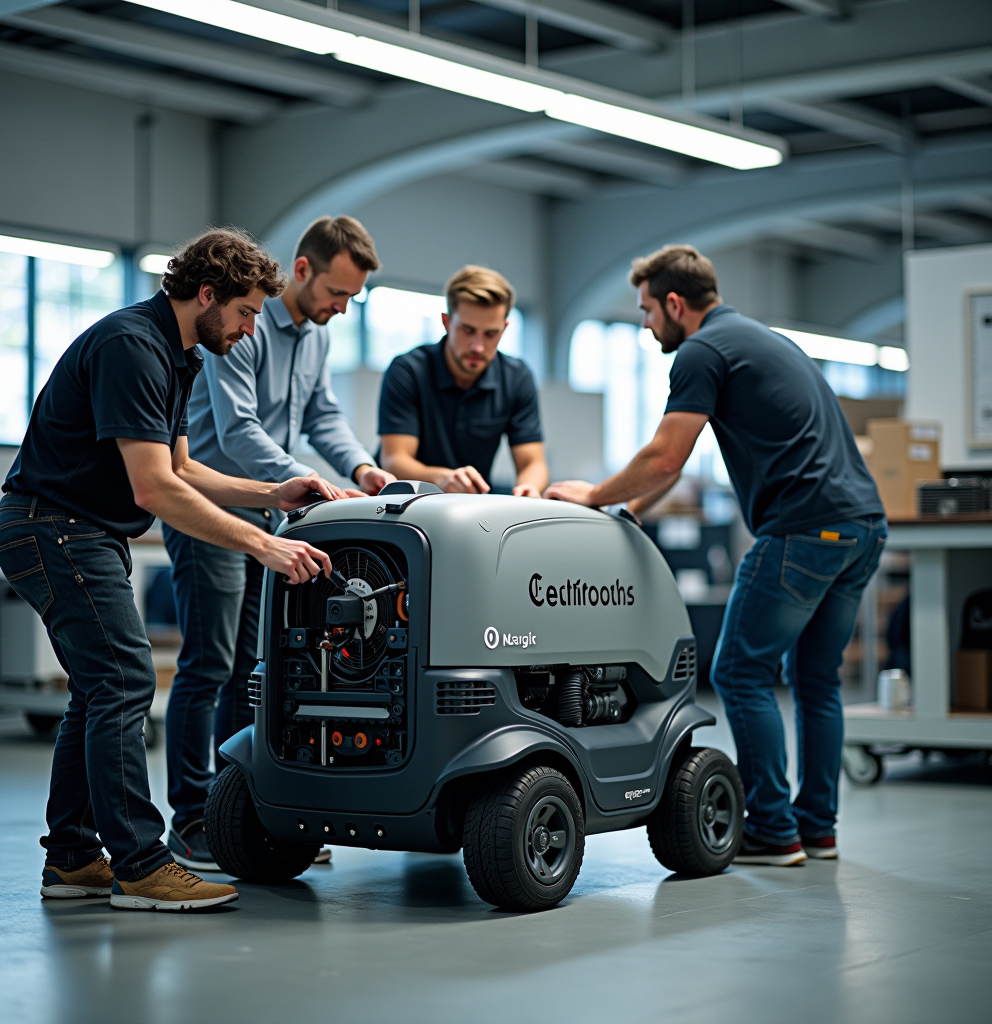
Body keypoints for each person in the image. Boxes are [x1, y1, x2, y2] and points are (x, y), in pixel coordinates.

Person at [0, 228, 346, 910]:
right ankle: (142, 863)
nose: (250, 330)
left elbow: (185, 468)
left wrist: (274, 493)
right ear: (206, 295)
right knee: (127, 679)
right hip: (53, 529)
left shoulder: (178, 355)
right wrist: (264, 544)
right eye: (245, 313)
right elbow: (154, 490)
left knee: (97, 690)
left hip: (80, 533)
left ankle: (71, 855)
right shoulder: (133, 347)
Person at [545, 245, 887, 866]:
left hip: (803, 530)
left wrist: (592, 495)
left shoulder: (701, 351)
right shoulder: (756, 339)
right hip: (861, 527)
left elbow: (665, 455)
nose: (647, 324)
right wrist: (631, 511)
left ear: (675, 303)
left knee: (737, 671)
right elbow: (675, 465)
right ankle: (818, 830)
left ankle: (774, 833)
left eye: (647, 311)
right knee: (816, 681)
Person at [163, 216, 394, 870]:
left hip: (269, 516)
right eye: (337, 293)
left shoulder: (315, 338)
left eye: (352, 299)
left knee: (254, 671)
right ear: (302, 270)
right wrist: (304, 478)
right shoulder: (243, 325)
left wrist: (362, 469)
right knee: (208, 666)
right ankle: (191, 820)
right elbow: (236, 432)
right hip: (209, 509)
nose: (342, 308)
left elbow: (321, 415)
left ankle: (248, 813)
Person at [378, 265, 548, 496]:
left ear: (504, 328)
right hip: (404, 504)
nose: (478, 346)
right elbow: (394, 460)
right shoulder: (408, 370)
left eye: (490, 334)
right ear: (447, 322)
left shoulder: (516, 377)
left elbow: (533, 463)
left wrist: (529, 488)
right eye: (467, 330)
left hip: (471, 506)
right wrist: (443, 478)